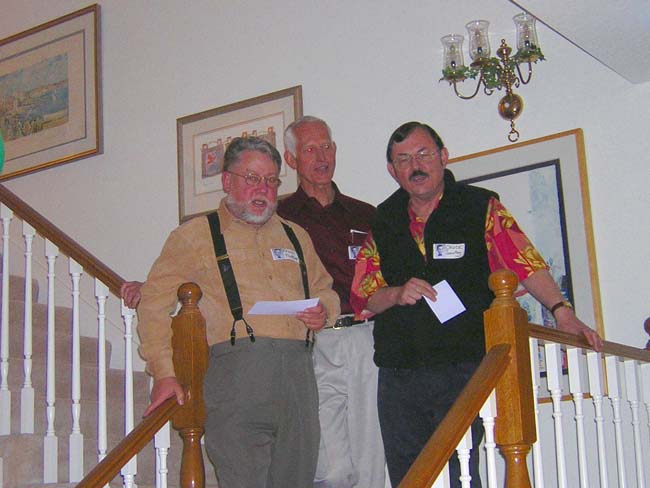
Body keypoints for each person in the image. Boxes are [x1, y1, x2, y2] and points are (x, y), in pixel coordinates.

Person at [350, 121, 603, 488]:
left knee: (459, 472)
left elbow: (524, 262)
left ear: (443, 157)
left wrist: (563, 311)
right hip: (399, 372)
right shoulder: (383, 219)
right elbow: (364, 292)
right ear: (392, 171)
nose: (415, 165)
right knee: (409, 476)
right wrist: (396, 292)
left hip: (462, 366)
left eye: (423, 154)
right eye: (403, 159)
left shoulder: (480, 206)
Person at [136, 136, 340, 488]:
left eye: (271, 180)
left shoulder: (297, 236)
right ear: (228, 181)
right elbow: (153, 305)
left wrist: (325, 309)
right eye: (251, 178)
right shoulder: (194, 236)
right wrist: (164, 374)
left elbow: (325, 289)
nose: (262, 189)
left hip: (299, 375)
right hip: (235, 377)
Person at [278, 116, 386, 488]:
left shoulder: (366, 214)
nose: (321, 156)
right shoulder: (278, 218)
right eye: (309, 149)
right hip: (313, 342)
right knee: (333, 468)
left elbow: (391, 272)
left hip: (366, 337)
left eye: (326, 146)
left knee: (373, 458)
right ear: (291, 160)